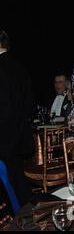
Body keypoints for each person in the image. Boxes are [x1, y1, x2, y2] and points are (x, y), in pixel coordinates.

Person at [0, 28, 34, 205]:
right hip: (20, 134)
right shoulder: (20, 67)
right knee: (17, 179)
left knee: (9, 184)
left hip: (4, 136)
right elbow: (29, 104)